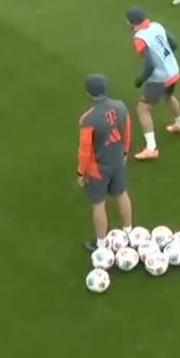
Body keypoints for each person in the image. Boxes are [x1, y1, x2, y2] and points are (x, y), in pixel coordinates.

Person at [76, 75, 134, 251]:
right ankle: (129, 233)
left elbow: (85, 150)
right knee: (122, 193)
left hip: (98, 168)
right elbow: (127, 130)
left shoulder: (88, 119)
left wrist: (81, 172)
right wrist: (124, 152)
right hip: (117, 160)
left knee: (98, 203)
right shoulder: (120, 106)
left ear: (88, 92)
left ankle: (101, 244)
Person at [125, 6, 180, 159]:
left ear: (131, 22)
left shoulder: (139, 39)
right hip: (173, 71)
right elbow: (174, 43)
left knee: (143, 108)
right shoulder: (157, 26)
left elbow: (150, 65)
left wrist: (141, 79)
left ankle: (151, 148)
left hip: (160, 78)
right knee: (169, 96)